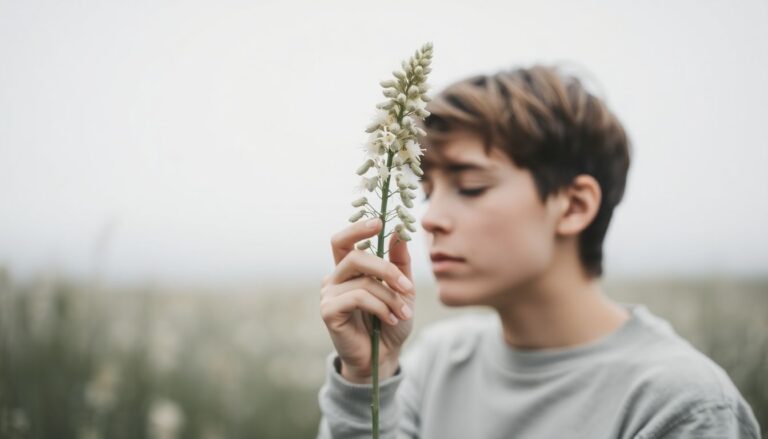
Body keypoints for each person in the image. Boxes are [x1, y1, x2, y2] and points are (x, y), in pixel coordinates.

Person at [315, 65, 761, 438]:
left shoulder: (681, 404)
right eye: (429, 193)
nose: (430, 219)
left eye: (471, 187)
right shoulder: (434, 365)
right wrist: (364, 378)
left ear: (574, 205)